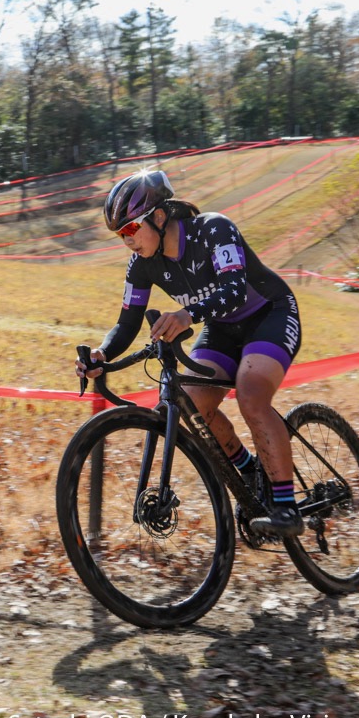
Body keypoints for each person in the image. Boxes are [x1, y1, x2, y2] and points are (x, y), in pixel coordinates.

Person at [76, 168, 304, 537]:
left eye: (131, 229)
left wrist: (185, 315)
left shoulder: (214, 229)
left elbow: (233, 290)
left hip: (269, 315)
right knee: (194, 405)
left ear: (160, 217)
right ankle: (247, 469)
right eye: (120, 235)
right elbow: (127, 323)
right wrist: (101, 354)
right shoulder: (142, 263)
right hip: (223, 329)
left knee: (251, 394)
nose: (127, 241)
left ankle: (285, 507)